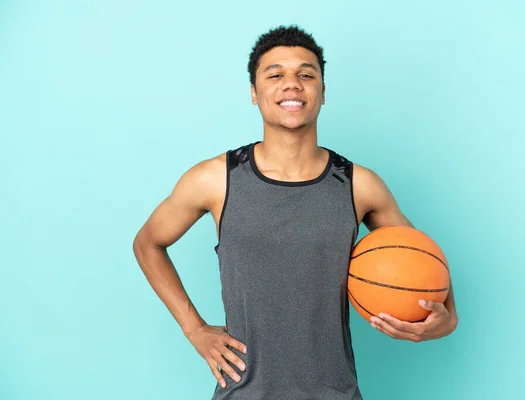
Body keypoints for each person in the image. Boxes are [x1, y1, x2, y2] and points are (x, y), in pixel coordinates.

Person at [132, 24, 458, 399]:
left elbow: (425, 264)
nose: (292, 84)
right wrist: (195, 329)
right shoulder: (215, 180)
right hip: (243, 393)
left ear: (321, 92)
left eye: (306, 74)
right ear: (254, 93)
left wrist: (446, 319)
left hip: (335, 393)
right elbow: (147, 244)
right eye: (275, 75)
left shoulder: (358, 185)